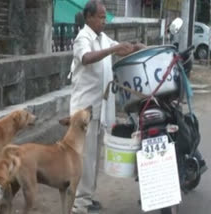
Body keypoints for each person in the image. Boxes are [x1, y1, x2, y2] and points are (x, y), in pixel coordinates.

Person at [69, 1, 145, 213]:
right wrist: (113, 49)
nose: (104, 21)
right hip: (83, 110)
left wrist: (136, 47)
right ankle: (79, 204)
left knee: (93, 157)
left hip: (98, 110)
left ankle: (87, 197)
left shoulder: (103, 38)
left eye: (105, 17)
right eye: (101, 17)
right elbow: (86, 58)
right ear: (89, 18)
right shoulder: (83, 38)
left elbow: (120, 49)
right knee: (84, 158)